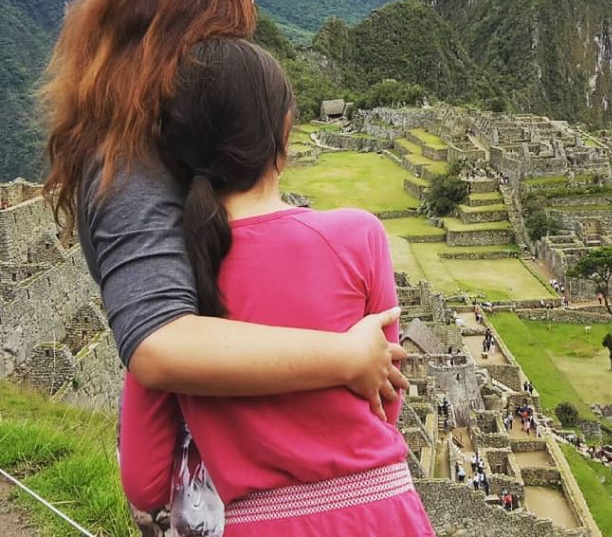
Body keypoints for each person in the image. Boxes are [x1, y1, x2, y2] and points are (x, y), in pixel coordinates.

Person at [40, 0, 406, 412]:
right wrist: (345, 356)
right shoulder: (127, 164)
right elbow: (158, 342)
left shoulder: (153, 142)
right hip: (222, 477)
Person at [118, 39, 433, 533]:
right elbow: (385, 405)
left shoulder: (172, 291)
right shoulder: (359, 236)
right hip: (382, 516)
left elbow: (145, 482)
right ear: (284, 132)